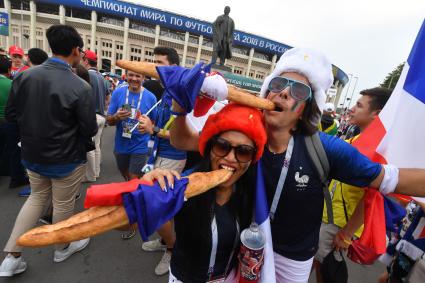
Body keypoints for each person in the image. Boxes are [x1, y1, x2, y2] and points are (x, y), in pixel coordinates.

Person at [169, 47, 425, 282]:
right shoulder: (246, 131)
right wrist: (180, 108)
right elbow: (182, 140)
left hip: (293, 257)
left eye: (298, 91)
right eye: (278, 84)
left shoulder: (326, 148)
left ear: (305, 108)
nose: (283, 92)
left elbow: (389, 179)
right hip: (245, 242)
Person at [0, 24, 97, 277]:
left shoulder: (24, 76)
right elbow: (88, 129)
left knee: (36, 198)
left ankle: (12, 257)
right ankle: (62, 246)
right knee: (62, 203)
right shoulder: (80, 86)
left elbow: (11, 115)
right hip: (65, 158)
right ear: (76, 51)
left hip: (32, 154)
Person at [142, 103, 266, 282]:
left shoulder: (250, 190)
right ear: (210, 148)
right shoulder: (186, 184)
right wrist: (146, 192)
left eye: (244, 151)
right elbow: (127, 223)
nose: (230, 158)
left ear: (252, 158)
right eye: (222, 146)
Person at [314, 87, 392, 282]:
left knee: (326, 269)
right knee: (320, 265)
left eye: (359, 105)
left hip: (339, 223)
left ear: (377, 114)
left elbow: (373, 196)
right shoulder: (358, 140)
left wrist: (347, 233)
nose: (352, 109)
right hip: (329, 216)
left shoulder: (378, 150)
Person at [138, 47, 188, 275]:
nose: (154, 67)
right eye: (153, 62)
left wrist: (154, 128)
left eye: (160, 62)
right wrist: (147, 123)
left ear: (173, 67)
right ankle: (164, 241)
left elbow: (183, 135)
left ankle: (172, 248)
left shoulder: (179, 93)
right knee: (158, 206)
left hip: (174, 157)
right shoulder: (165, 91)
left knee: (158, 208)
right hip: (157, 154)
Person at [106, 69, 157, 180]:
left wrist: (148, 126)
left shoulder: (151, 97)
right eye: (131, 75)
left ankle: (133, 193)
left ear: (143, 77)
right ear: (126, 76)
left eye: (138, 75)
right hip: (121, 144)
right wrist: (116, 117)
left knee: (133, 178)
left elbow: (155, 122)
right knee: (126, 174)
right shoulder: (118, 93)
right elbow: (109, 121)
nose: (134, 78)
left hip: (140, 145)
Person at [82, 50, 109, 182]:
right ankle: (96, 172)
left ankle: (91, 175)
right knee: (96, 146)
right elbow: (107, 97)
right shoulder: (102, 77)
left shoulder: (86, 75)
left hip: (91, 115)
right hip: (101, 116)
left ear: (86, 61)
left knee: (90, 148)